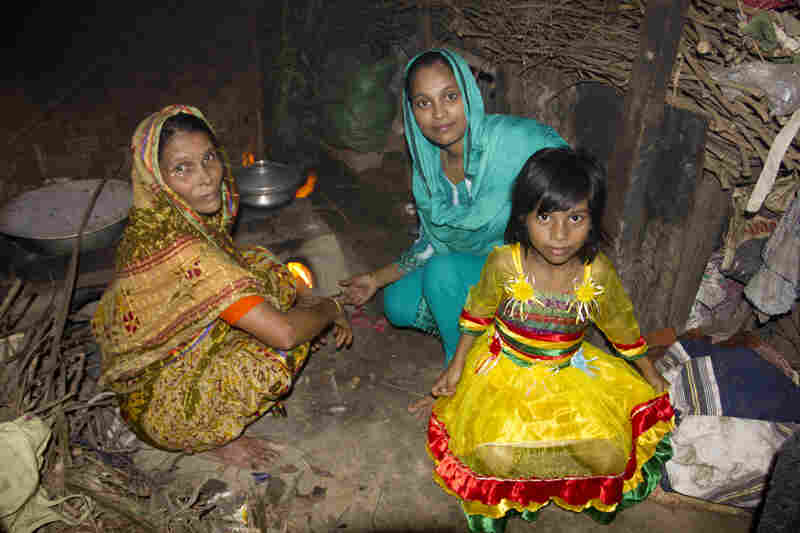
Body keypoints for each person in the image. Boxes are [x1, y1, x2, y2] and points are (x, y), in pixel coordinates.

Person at [426, 147, 674, 532]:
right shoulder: (505, 263)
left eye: (575, 218)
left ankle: (543, 465)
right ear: (523, 218)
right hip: (504, 375)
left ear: (592, 222)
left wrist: (649, 372)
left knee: (611, 458)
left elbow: (620, 326)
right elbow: (477, 313)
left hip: (569, 375)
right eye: (545, 216)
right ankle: (531, 468)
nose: (560, 235)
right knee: (492, 458)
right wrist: (456, 367)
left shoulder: (598, 273)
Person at [92, 105, 352, 470]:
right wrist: (330, 308)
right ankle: (209, 435)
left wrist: (306, 300)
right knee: (276, 354)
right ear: (157, 178)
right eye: (182, 168)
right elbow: (285, 334)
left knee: (259, 264)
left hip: (149, 372)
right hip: (163, 411)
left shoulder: (154, 219)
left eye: (209, 158)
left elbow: (234, 275)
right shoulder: (189, 253)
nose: (206, 178)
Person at [339, 49, 567, 406]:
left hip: (530, 272)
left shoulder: (512, 142)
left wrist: (555, 244)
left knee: (442, 273)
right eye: (423, 103)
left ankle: (458, 372)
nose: (439, 114)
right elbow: (432, 241)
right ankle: (490, 338)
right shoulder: (429, 167)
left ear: (468, 94)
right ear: (411, 111)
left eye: (450, 96)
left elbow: (570, 175)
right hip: (476, 270)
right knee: (399, 303)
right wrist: (375, 279)